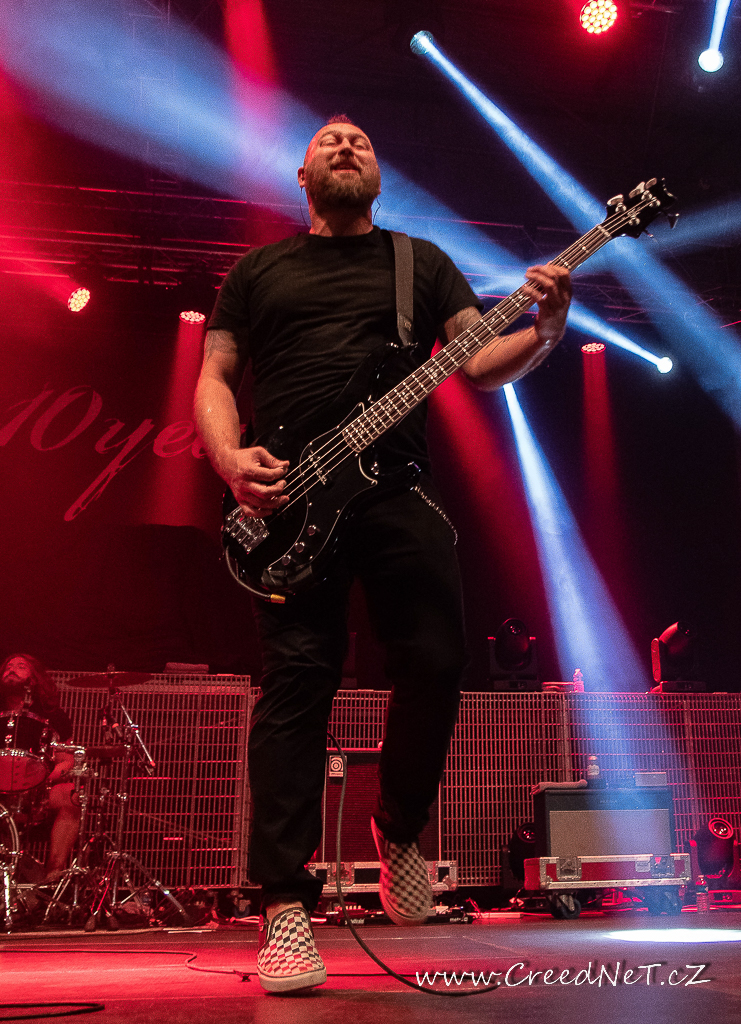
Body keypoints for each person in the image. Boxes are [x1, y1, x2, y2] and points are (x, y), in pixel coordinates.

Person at [194, 116, 571, 993]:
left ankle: (397, 828)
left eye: (360, 140)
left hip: (395, 485)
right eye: (328, 139)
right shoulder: (257, 271)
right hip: (287, 497)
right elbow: (214, 376)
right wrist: (227, 457)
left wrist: (549, 328)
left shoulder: (419, 264)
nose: (345, 145)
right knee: (297, 684)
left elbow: (481, 362)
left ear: (377, 171)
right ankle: (284, 908)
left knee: (437, 660)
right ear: (301, 174)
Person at [0, 654, 81, 884]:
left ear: (34, 679)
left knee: (71, 797)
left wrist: (41, 780)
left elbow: (67, 761)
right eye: (8, 667)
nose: (11, 670)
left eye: (20, 666)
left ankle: (52, 875)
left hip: (36, 792)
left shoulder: (52, 715)